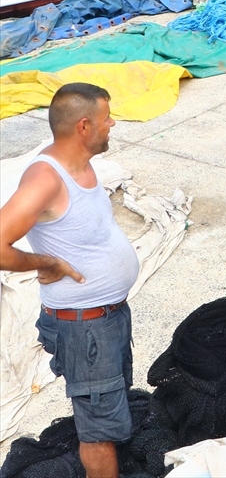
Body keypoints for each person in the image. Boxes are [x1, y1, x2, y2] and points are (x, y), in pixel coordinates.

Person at [0, 83, 135, 478]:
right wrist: (46, 261)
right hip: (85, 329)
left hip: (107, 319)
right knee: (98, 432)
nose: (113, 124)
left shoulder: (83, 161)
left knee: (108, 416)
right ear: (83, 126)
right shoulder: (47, 178)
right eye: (107, 118)